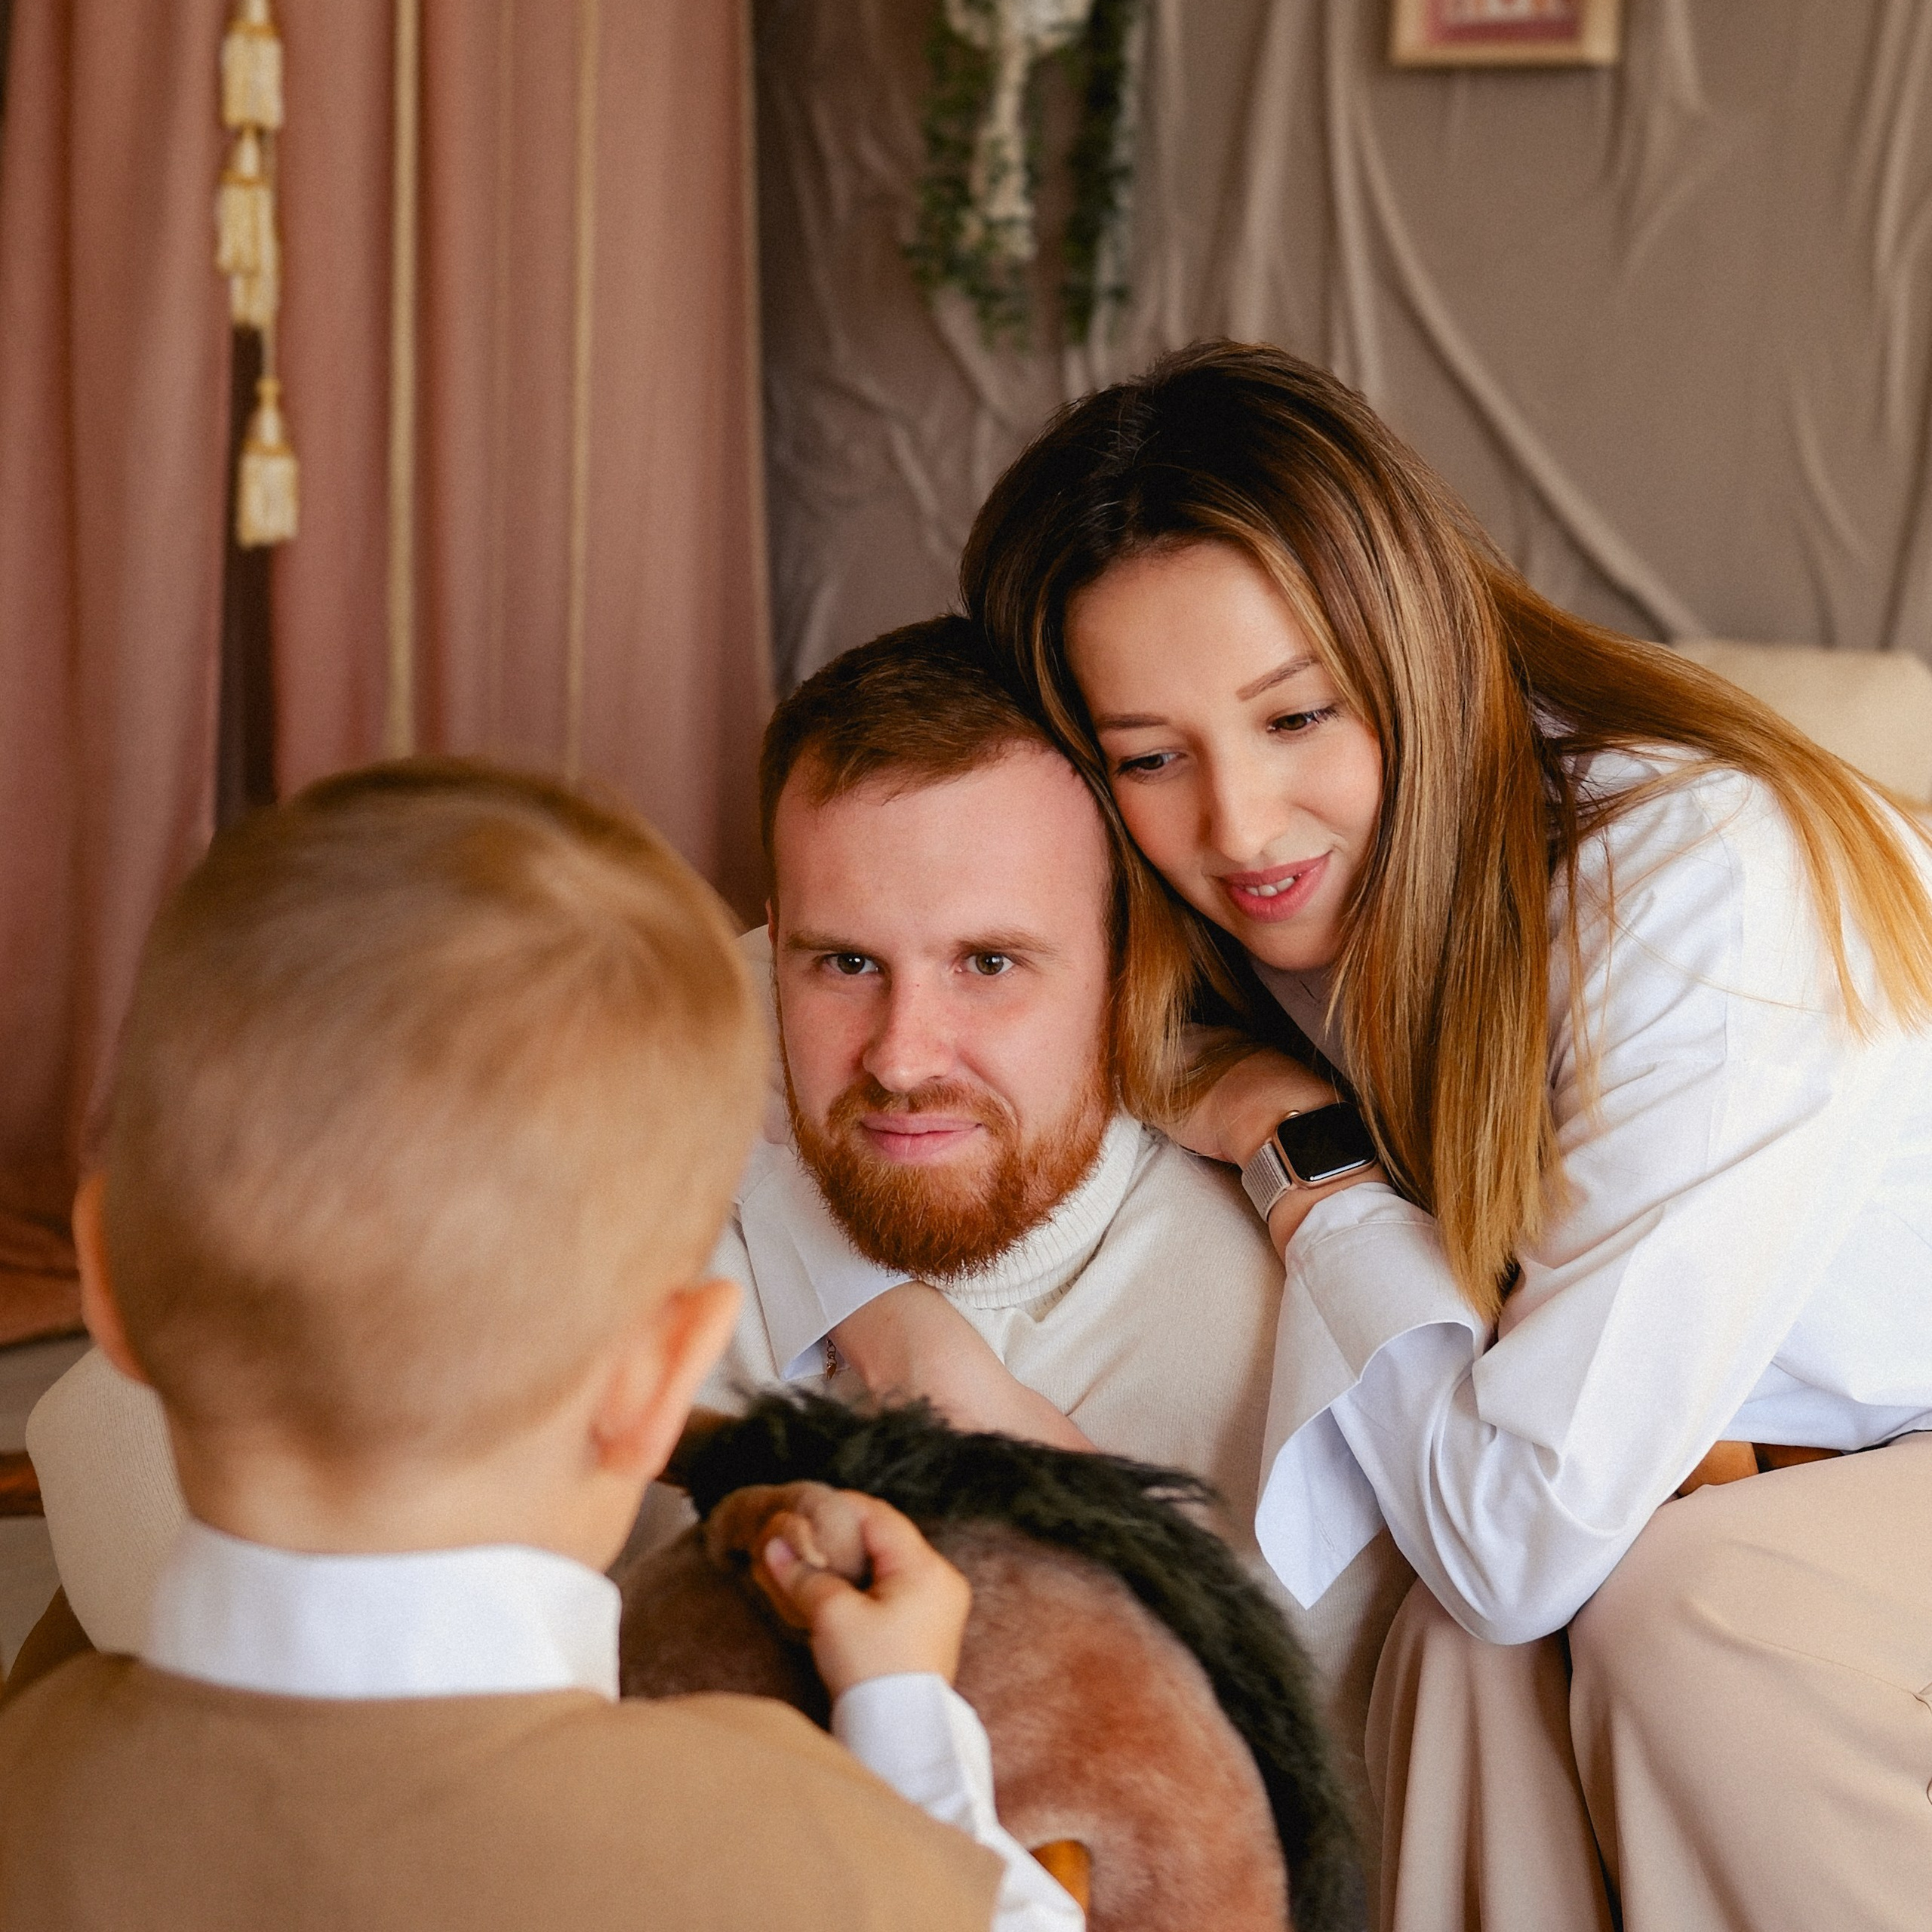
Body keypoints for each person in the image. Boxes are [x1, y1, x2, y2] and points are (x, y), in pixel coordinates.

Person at [25, 623, 1412, 1864]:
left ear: (1127, 966)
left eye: (991, 964)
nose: (903, 1058)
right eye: (841, 964)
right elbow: (110, 1440)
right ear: (769, 950)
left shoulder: (1259, 1342)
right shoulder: (603, 1168)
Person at [957, 340, 1932, 1932]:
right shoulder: (1259, 932)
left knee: (1681, 1613)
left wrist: (1302, 1152)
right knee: (1459, 1657)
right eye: (1149, 756)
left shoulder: (1686, 879)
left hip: (1871, 1454)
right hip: (1790, 1463)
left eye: (1294, 716)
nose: (1241, 827)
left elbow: (1514, 1534)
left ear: (1410, 649)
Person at [0, 762, 1081, 1932]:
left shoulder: (30, 1776)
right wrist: (905, 1714)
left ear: (104, 1278)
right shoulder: (781, 1839)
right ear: (661, 1380)